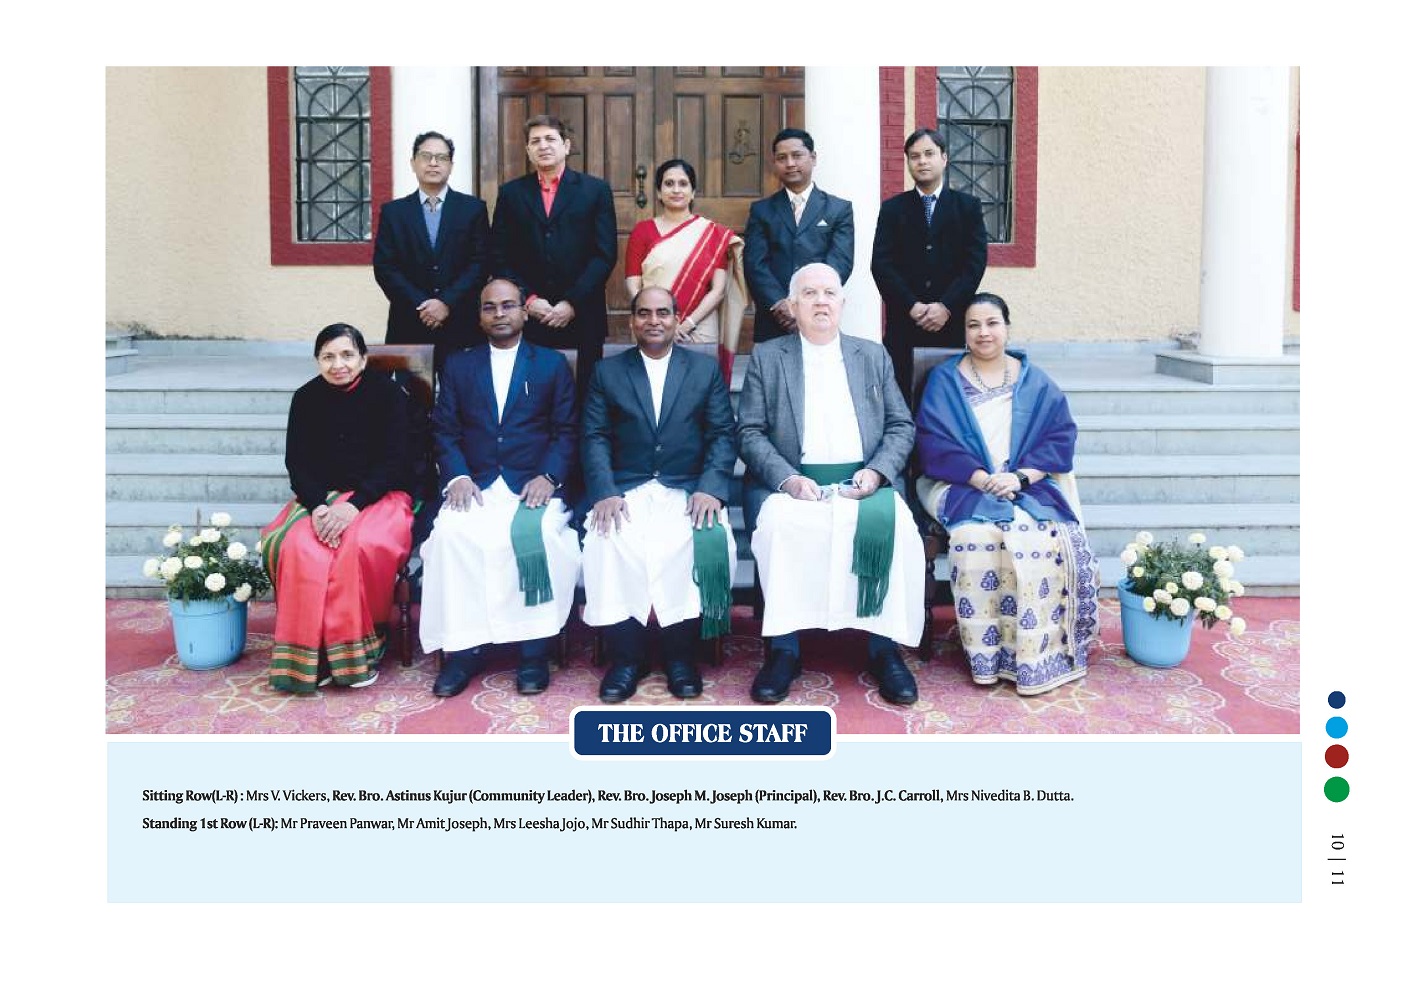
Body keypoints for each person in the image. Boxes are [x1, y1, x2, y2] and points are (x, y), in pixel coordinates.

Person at [738, 263, 924, 705]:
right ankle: (784, 650)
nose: (821, 301)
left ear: (843, 303)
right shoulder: (768, 356)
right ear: (792, 306)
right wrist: (787, 479)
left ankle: (884, 649)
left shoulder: (872, 355)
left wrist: (877, 472)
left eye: (829, 293)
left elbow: (901, 425)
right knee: (781, 529)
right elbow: (749, 431)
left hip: (864, 483)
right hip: (795, 485)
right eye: (809, 293)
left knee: (899, 530)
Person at [914, 293, 1099, 695]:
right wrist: (982, 478)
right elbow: (933, 444)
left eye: (992, 323)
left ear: (1007, 328)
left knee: (1045, 538)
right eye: (974, 325)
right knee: (975, 538)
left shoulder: (1034, 381)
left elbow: (1059, 437)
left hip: (1025, 484)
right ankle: (987, 655)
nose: (983, 332)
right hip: (960, 483)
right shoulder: (945, 381)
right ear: (964, 333)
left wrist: (1019, 478)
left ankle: (1033, 652)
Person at [418, 279, 581, 698]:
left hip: (533, 485)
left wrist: (549, 477)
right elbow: (445, 430)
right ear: (479, 316)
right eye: (489, 307)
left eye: (508, 306)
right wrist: (457, 475)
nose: (499, 314)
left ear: (525, 312)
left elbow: (566, 431)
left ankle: (533, 652)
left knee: (542, 537)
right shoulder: (459, 365)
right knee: (452, 537)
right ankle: (464, 650)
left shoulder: (550, 364)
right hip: (475, 484)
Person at [581, 286, 738, 702]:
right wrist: (604, 491)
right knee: (610, 540)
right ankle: (626, 658)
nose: (654, 321)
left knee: (685, 542)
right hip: (626, 486)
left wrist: (710, 488)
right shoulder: (608, 372)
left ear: (676, 318)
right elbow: (594, 436)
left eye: (663, 313)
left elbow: (723, 434)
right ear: (632, 321)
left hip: (687, 487)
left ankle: (680, 657)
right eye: (645, 313)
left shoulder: (703, 370)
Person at [258, 323, 413, 693]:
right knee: (298, 547)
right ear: (317, 361)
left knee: (356, 547)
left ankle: (357, 651)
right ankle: (313, 655)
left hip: (380, 496)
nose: (337, 364)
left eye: (346, 355)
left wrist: (354, 506)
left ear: (363, 359)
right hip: (322, 499)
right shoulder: (305, 398)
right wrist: (317, 507)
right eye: (327, 356)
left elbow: (397, 460)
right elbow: (297, 464)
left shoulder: (389, 395)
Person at [491, 114, 618, 398]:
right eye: (535, 141)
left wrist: (571, 302)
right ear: (527, 150)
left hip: (582, 315)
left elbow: (604, 255)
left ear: (566, 145)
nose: (543, 146)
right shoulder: (511, 193)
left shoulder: (595, 190)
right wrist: (529, 300)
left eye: (550, 139)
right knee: (532, 397)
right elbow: (499, 256)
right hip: (530, 317)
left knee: (584, 396)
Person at [871, 128, 988, 401]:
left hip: (950, 324)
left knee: (946, 401)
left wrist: (946, 306)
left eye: (929, 154)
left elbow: (974, 264)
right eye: (914, 156)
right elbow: (881, 265)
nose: (922, 161)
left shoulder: (967, 207)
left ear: (944, 158)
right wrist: (911, 305)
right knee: (901, 401)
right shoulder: (892, 209)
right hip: (904, 324)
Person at [372, 131, 490, 371]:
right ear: (413, 163)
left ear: (451, 165)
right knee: (410, 394)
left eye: (441, 157)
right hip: (409, 325)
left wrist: (446, 302)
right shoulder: (394, 212)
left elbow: (481, 263)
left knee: (463, 392)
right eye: (426, 156)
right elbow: (385, 267)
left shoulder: (473, 209)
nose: (433, 163)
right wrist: (422, 305)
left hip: (461, 324)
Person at [624, 159, 747, 384]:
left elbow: (718, 290)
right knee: (650, 384)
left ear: (693, 192)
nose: (676, 190)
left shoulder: (712, 235)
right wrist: (655, 317)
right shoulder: (642, 231)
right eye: (668, 184)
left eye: (683, 183)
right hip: (651, 322)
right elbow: (633, 284)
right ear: (659, 193)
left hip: (699, 323)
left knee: (698, 385)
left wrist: (687, 324)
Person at [742, 128, 854, 343]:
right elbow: (755, 264)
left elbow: (840, 262)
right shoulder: (761, 210)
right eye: (782, 158)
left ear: (813, 158)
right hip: (774, 318)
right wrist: (780, 304)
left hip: (819, 311)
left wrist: (807, 301)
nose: (790, 163)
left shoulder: (838, 209)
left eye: (797, 155)